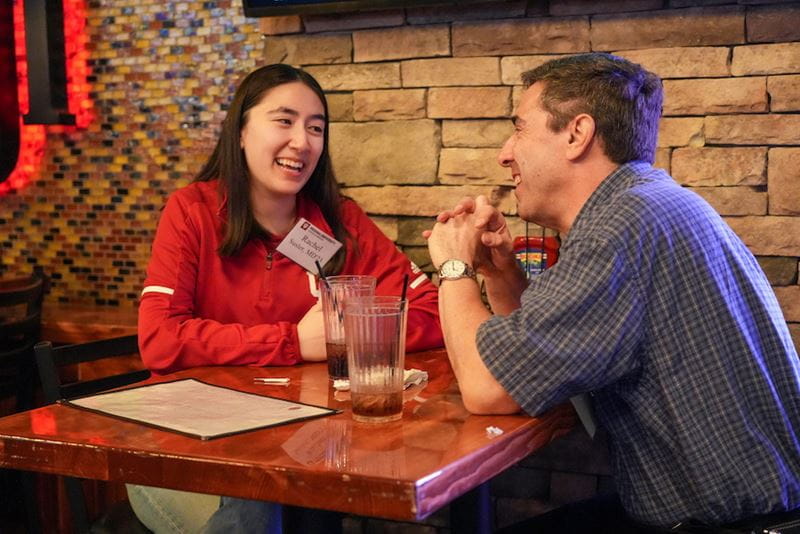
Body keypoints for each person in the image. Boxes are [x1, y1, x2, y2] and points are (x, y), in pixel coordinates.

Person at [425, 53, 800, 532]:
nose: (505, 152)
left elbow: (487, 388)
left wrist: (454, 266)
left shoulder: (619, 227)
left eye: (519, 128)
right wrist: (500, 274)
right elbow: (534, 361)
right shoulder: (648, 202)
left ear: (577, 134)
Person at [132, 64, 443, 533]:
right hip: (185, 449)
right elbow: (159, 339)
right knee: (264, 504)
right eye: (284, 120)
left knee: (306, 495)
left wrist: (349, 329)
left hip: (297, 444)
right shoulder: (192, 212)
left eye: (316, 128)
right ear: (239, 131)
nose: (303, 141)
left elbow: (430, 310)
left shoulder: (339, 222)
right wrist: (294, 342)